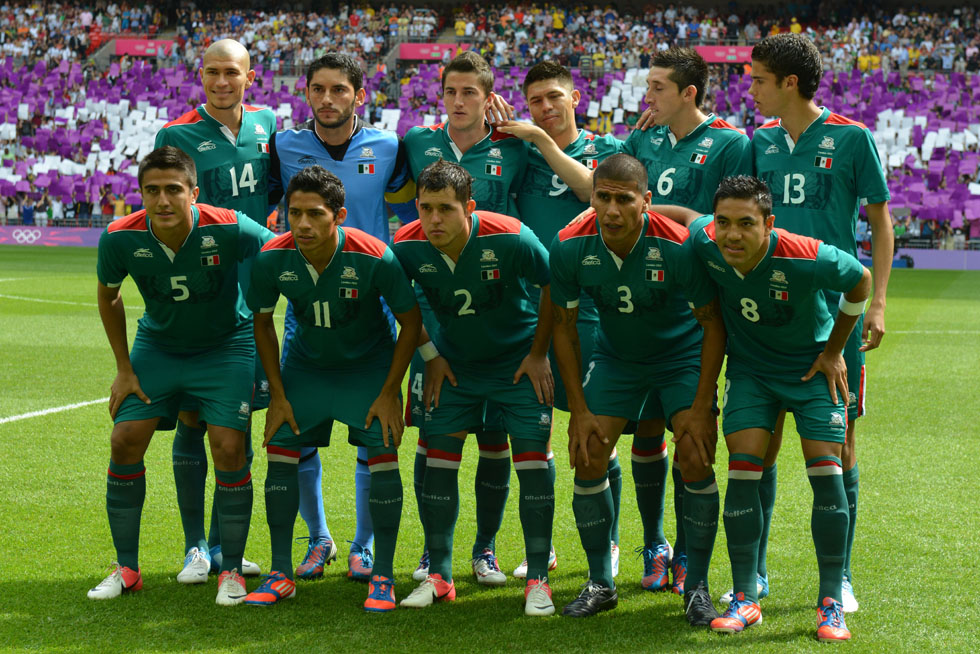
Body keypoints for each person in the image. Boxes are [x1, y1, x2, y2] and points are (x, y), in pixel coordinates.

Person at [740, 33, 893, 613]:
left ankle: (841, 576)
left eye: (759, 80)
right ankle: (754, 573)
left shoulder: (853, 137)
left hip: (836, 317)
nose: (751, 90)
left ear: (790, 83)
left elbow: (880, 222)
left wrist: (877, 302)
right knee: (761, 440)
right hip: (769, 314)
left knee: (841, 443)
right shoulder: (758, 142)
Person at [687, 175, 871, 641]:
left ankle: (831, 602)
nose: (732, 234)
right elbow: (686, 219)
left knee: (825, 471)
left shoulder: (806, 255)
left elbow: (860, 281)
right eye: (724, 222)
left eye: (746, 224)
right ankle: (745, 597)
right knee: (743, 469)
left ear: (769, 223)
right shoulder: (706, 241)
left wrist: (833, 351)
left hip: (811, 370)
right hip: (752, 371)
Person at [88, 146, 275, 605]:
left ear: (194, 192)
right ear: (141, 194)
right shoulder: (119, 237)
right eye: (152, 190)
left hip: (226, 346)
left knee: (229, 447)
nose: (163, 200)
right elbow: (109, 296)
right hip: (159, 347)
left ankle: (231, 570)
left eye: (174, 189)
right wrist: (124, 369)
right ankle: (127, 568)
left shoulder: (228, 226)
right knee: (124, 438)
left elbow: (278, 251)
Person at [549, 154, 725, 620]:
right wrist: (579, 409)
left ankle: (697, 586)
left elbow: (713, 325)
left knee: (695, 453)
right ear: (591, 197)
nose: (611, 210)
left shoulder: (679, 245)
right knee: (589, 453)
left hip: (680, 357)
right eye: (602, 197)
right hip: (617, 359)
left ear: (646, 201)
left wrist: (701, 406)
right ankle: (600, 583)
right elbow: (563, 329)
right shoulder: (569, 245)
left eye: (624, 199)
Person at [267, 52, 418, 582]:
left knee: (371, 430)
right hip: (307, 305)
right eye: (318, 89)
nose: (327, 99)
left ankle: (364, 545)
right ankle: (318, 539)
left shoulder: (389, 146)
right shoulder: (283, 145)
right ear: (306, 92)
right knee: (298, 430)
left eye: (339, 89)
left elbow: (411, 211)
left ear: (360, 94)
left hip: (373, 302)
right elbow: (265, 205)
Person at [243, 166, 421, 611]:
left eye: (315, 214)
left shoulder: (374, 256)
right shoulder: (272, 258)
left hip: (368, 369)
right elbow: (262, 323)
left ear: (339, 215)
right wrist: (277, 395)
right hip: (307, 368)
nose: (302, 224)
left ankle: (383, 575)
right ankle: (280, 572)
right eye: (294, 213)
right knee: (280, 449)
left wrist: (390, 392)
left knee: (382, 454)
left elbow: (411, 321)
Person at [392, 160, 556, 616]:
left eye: (445, 209)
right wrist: (431, 356)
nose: (434, 220)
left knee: (532, 462)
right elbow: (402, 306)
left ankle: (538, 578)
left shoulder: (512, 236)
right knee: (439, 460)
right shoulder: (406, 245)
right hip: (453, 367)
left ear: (469, 207)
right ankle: (441, 576)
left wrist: (539, 353)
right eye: (425, 208)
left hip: (515, 365)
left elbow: (553, 286)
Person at [627, 46, 752, 594]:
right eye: (647, 85)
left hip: (698, 305)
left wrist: (663, 216)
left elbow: (731, 220)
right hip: (642, 299)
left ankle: (685, 551)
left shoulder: (731, 144)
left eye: (657, 87)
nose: (647, 96)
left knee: (691, 431)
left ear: (688, 93)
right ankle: (654, 543)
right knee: (644, 425)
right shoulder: (643, 140)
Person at [401, 50, 529, 585]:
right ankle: (433, 552)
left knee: (495, 438)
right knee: (431, 436)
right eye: (450, 92)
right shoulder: (415, 142)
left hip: (498, 311)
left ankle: (485, 548)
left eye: (469, 92)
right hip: (437, 313)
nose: (458, 101)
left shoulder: (515, 146)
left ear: (488, 96)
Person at [154, 38, 276, 584]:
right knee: (190, 416)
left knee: (236, 421)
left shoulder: (267, 124)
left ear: (250, 76)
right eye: (212, 72)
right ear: (200, 76)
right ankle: (195, 548)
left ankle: (227, 545)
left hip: (255, 295)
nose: (222, 82)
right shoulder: (176, 134)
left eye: (232, 72)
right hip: (202, 295)